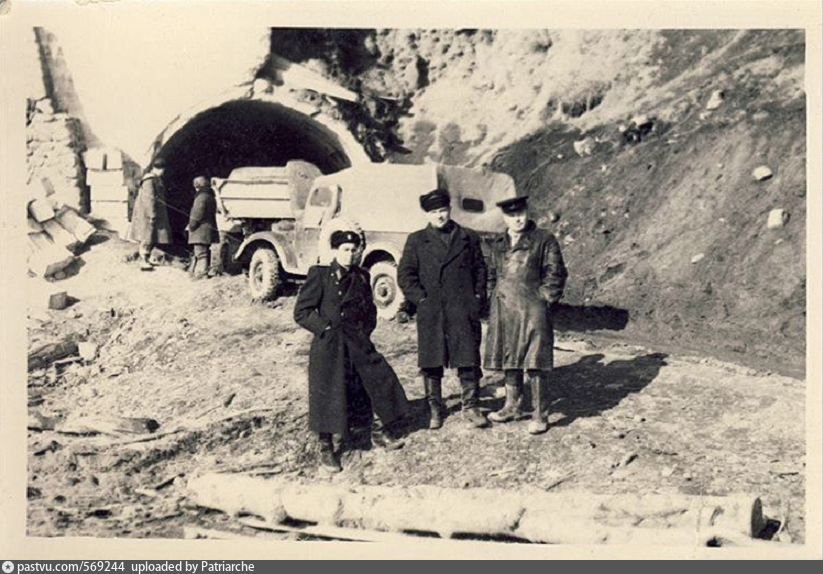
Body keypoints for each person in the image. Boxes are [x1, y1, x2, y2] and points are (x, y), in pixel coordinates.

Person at [294, 230, 410, 473]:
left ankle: (377, 432)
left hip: (357, 341)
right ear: (335, 251)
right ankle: (327, 447)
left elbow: (370, 311)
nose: (349, 254)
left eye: (353, 250)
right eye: (345, 250)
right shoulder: (320, 275)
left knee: (378, 380)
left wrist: (362, 333)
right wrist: (325, 329)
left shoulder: (362, 276)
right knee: (329, 393)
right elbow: (302, 312)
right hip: (330, 345)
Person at [397, 188, 489, 430]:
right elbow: (405, 274)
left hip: (462, 308)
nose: (439, 215)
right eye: (434, 212)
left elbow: (480, 269)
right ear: (427, 215)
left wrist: (477, 297)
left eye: (442, 210)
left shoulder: (468, 237)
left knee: (468, 357)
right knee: (432, 360)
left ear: (449, 210)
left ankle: (471, 406)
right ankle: (435, 408)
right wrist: (421, 300)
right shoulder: (417, 240)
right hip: (432, 310)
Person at [483, 195, 568, 434]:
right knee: (509, 356)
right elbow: (492, 274)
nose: (517, 219)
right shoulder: (498, 242)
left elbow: (556, 272)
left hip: (532, 308)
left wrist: (545, 299)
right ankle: (512, 406)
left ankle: (540, 414)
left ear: (527, 213)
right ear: (504, 218)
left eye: (520, 213)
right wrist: (492, 297)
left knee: (535, 360)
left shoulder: (543, 239)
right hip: (504, 308)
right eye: (511, 215)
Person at [126, 157, 172, 271]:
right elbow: (149, 199)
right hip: (147, 214)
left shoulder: (155, 179)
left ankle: (149, 258)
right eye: (162, 170)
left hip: (153, 212)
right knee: (146, 237)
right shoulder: (149, 181)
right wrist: (151, 214)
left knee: (151, 236)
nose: (163, 172)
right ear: (157, 169)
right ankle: (143, 261)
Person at [187, 176, 220, 280]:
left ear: (197, 185)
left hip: (200, 230)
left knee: (200, 253)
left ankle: (201, 274)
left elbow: (197, 214)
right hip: (208, 230)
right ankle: (203, 273)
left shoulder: (201, 197)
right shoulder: (211, 196)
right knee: (204, 252)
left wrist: (191, 226)